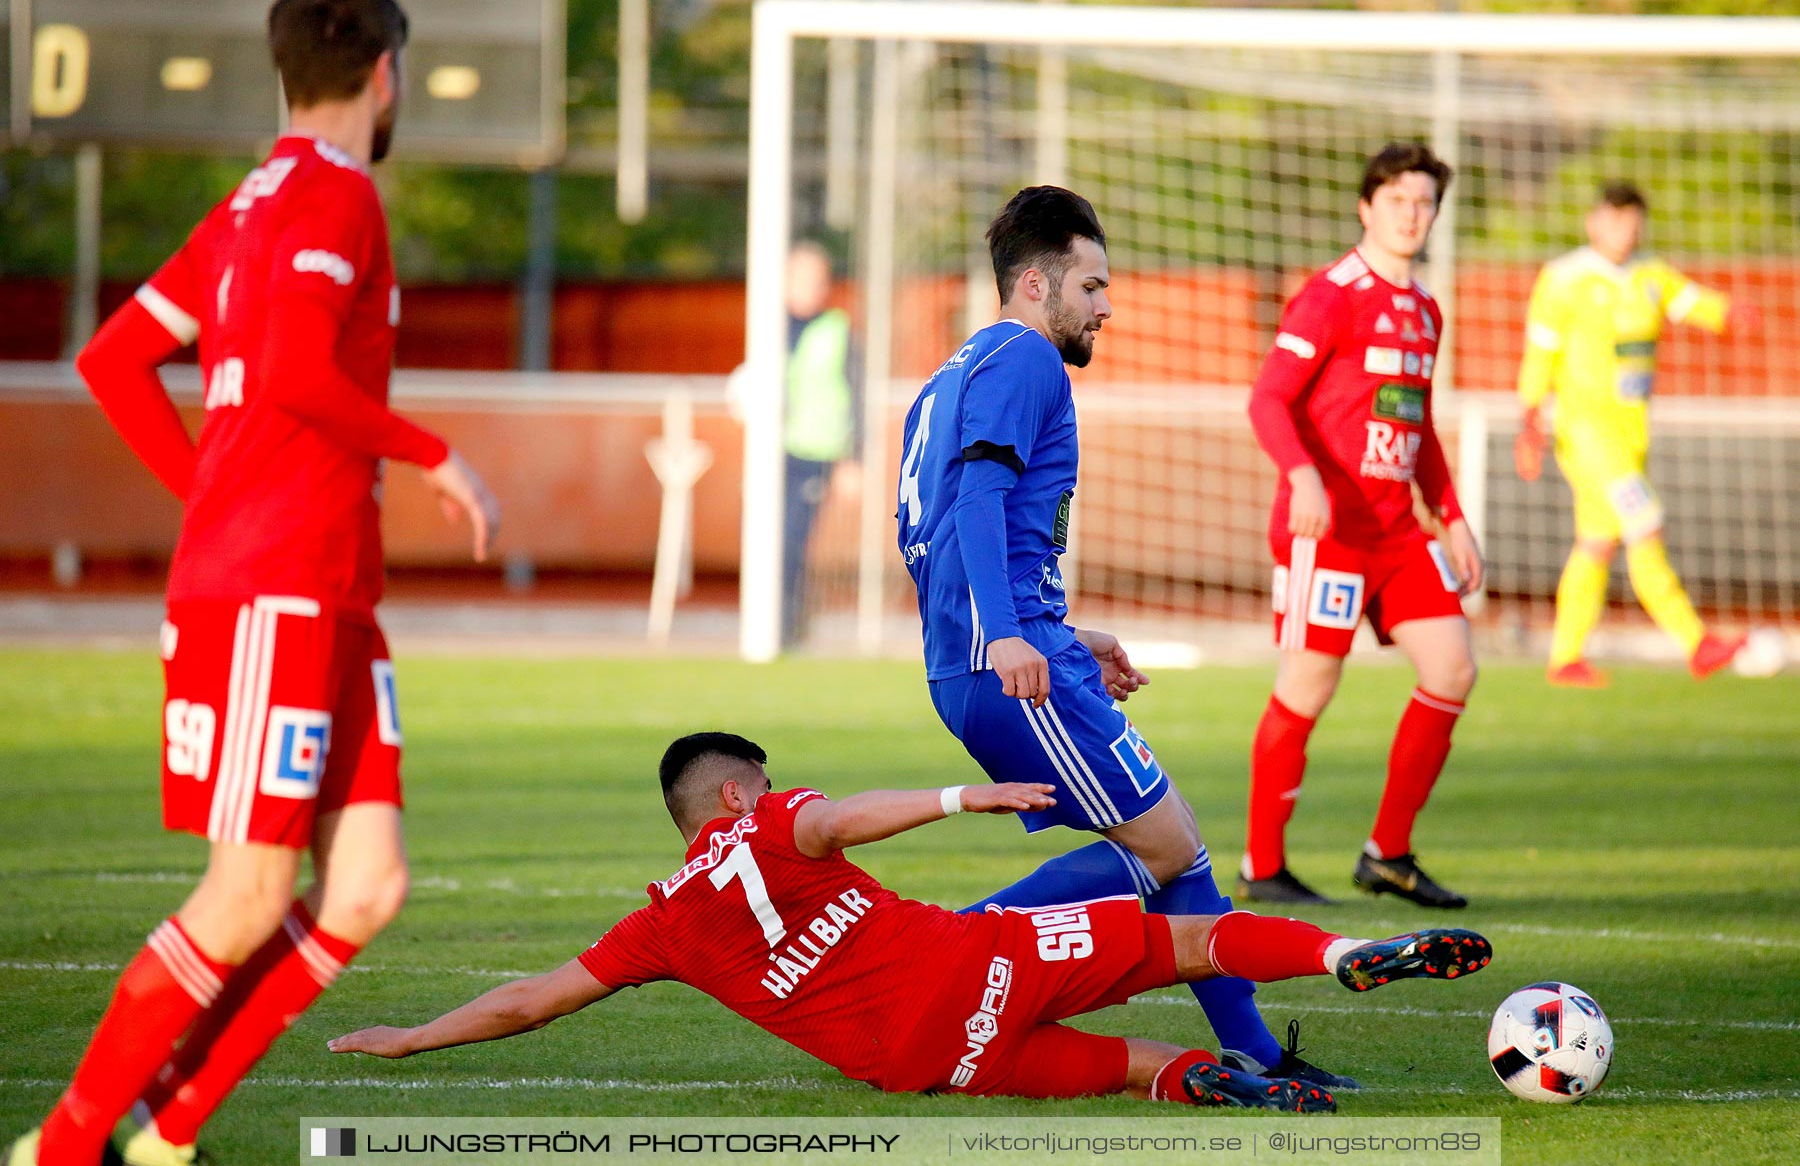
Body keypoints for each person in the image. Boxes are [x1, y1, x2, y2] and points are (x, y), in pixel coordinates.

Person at [7, 0, 500, 1165]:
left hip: (313, 578)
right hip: (276, 585)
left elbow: (117, 359)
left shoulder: (246, 203)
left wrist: (209, 501)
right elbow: (287, 372)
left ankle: (166, 1135)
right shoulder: (337, 197)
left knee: (365, 886)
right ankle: (66, 1147)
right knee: (244, 898)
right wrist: (434, 452)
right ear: (385, 77)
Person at [329, 732, 1493, 1110]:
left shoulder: (660, 927)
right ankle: (1342, 955)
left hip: (918, 1059)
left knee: (1134, 1070)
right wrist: (959, 797)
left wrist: (413, 1038)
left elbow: (536, 999)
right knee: (1188, 937)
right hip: (973, 960)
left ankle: (1212, 1084)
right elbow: (837, 823)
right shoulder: (766, 822)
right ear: (732, 797)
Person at [894, 185, 1351, 1090]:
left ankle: (1254, 1052)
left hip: (1006, 650)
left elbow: (934, 537)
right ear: (1035, 284)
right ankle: (933, 969)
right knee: (1168, 849)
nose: (1108, 306)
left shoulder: (953, 373)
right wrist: (1008, 636)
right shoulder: (1027, 361)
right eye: (1093, 285)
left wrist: (1054, 628)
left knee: (1175, 836)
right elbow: (977, 504)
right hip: (1009, 662)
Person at [1240, 143, 1482, 911]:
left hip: (1395, 534)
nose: (1413, 215)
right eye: (1399, 201)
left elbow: (1420, 427)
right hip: (1329, 533)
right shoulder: (1330, 296)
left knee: (1452, 667)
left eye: (1424, 203)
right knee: (1309, 684)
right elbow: (1267, 402)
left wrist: (1451, 517)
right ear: (1366, 207)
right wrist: (1303, 476)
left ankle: (1389, 853)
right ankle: (1261, 865)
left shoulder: (1426, 311)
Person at [1513, 181, 1755, 687]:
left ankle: (1565, 658)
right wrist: (1529, 416)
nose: (1625, 230)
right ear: (1592, 222)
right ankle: (1697, 642)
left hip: (1631, 432)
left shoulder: (1651, 273)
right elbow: (1541, 349)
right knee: (1644, 521)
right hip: (1584, 430)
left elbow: (1695, 304)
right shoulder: (1564, 278)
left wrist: (1731, 312)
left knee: (1598, 542)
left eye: (1633, 220)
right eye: (1615, 219)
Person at [779, 241, 860, 647]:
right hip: (773, 452)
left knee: (794, 538)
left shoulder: (838, 329)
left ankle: (791, 628)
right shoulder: (770, 326)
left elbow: (855, 394)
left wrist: (853, 458)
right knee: (773, 539)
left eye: (816, 279)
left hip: (815, 452)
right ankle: (778, 620)